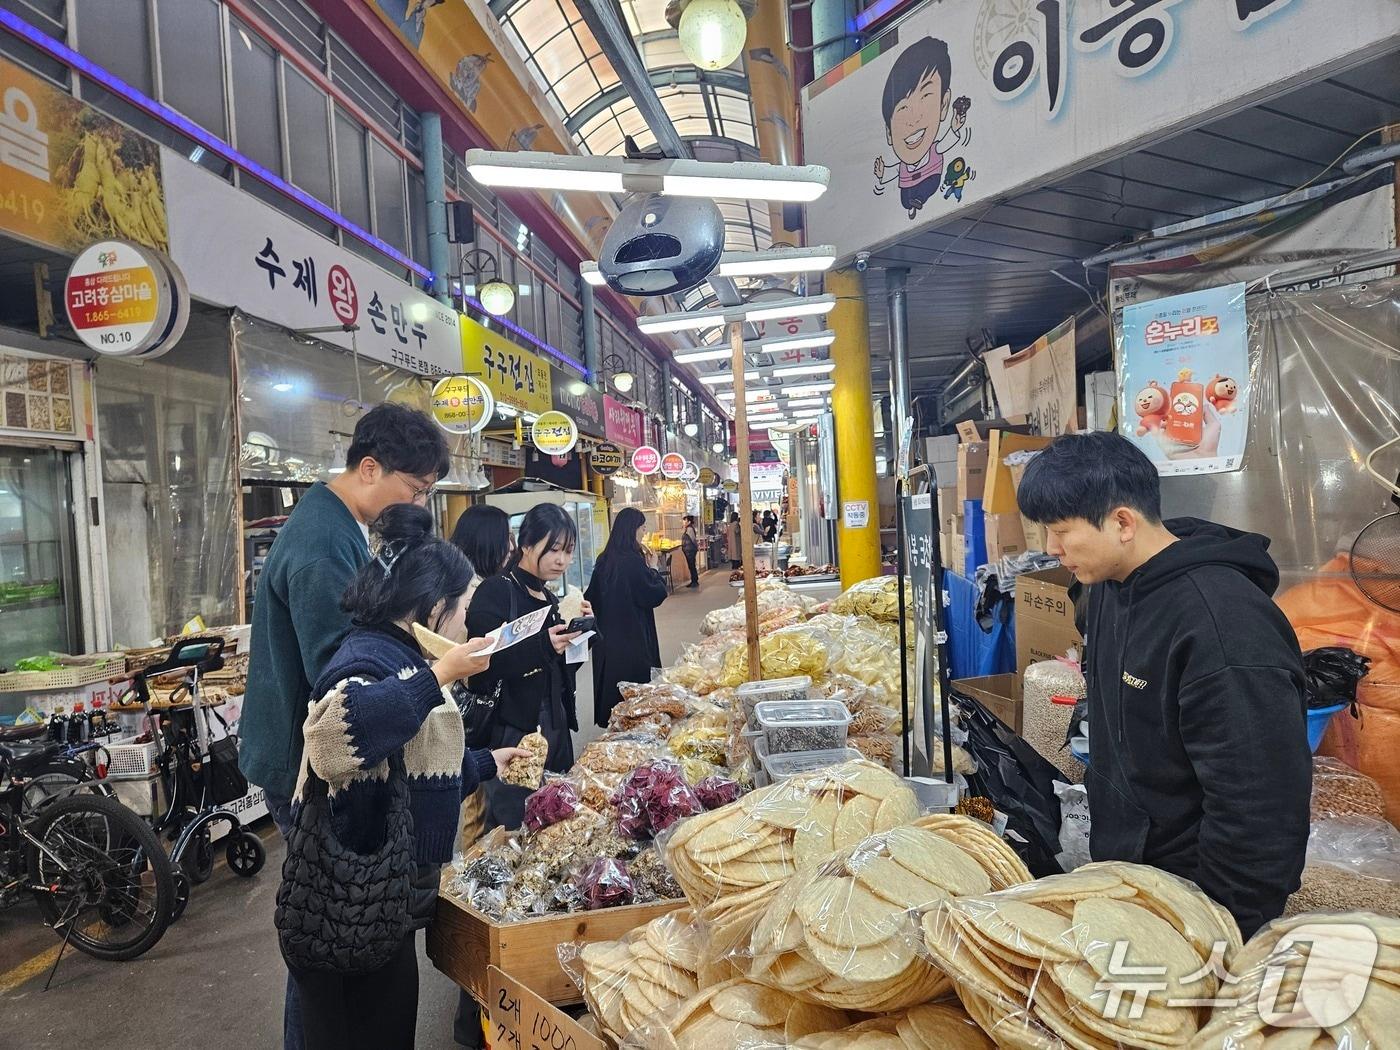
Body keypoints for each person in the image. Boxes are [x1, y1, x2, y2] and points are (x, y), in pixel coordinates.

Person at [1016, 431, 1310, 938]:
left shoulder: (1224, 628)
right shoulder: (1104, 586)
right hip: (1130, 876)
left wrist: (1215, 933)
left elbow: (1260, 809)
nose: (1051, 549)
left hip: (1197, 906)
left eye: (1061, 530)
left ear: (1123, 522)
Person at [240, 402, 448, 1050]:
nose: (417, 502)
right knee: (328, 936)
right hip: (302, 759)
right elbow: (342, 674)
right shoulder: (324, 542)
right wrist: (428, 680)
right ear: (368, 467)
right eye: (414, 489)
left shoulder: (336, 523)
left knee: (322, 937)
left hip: (297, 749)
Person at [292, 505, 528, 1050]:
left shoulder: (403, 653)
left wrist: (492, 761)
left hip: (386, 898)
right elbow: (332, 743)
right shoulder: (366, 658)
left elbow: (413, 766)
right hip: (346, 904)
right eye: (465, 607)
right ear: (434, 606)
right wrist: (440, 674)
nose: (469, 622)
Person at [466, 503, 589, 830]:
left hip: (555, 724)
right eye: (553, 550)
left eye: (568, 551)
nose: (562, 560)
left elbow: (554, 668)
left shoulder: (548, 598)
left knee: (554, 817)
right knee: (514, 823)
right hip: (512, 728)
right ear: (526, 544)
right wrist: (543, 646)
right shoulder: (496, 592)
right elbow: (480, 665)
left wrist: (581, 633)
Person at [585, 507, 669, 728]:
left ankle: (614, 730)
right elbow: (654, 594)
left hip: (608, 640)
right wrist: (653, 569)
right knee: (635, 695)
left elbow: (590, 598)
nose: (644, 533)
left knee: (613, 690)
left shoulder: (604, 560)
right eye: (642, 528)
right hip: (633, 639)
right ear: (632, 530)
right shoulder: (632, 561)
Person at [451, 503, 514, 611]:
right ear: (487, 541)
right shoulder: (474, 594)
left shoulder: (456, 579)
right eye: (507, 538)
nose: (512, 547)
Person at [680, 513, 700, 588]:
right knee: (691, 566)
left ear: (689, 521)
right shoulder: (687, 528)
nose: (684, 522)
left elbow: (693, 539)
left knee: (692, 566)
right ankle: (693, 580)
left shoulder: (689, 529)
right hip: (689, 550)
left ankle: (695, 581)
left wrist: (695, 548)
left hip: (690, 550)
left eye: (685, 520)